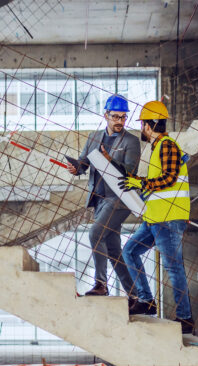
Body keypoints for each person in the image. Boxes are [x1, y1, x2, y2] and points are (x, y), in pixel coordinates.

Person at [118, 100, 195, 334]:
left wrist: (140, 182)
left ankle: (186, 319)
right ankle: (147, 301)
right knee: (130, 251)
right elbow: (157, 184)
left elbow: (169, 178)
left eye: (143, 124)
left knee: (174, 268)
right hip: (155, 219)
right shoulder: (157, 149)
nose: (142, 128)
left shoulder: (167, 145)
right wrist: (139, 187)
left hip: (169, 219)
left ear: (151, 124)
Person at [69, 94, 141, 298]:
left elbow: (130, 172)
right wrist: (77, 169)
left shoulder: (131, 141)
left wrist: (110, 160)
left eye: (123, 117)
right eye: (115, 117)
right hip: (99, 199)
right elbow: (84, 162)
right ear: (106, 115)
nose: (119, 121)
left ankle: (101, 284)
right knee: (113, 250)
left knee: (95, 234)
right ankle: (137, 295)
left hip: (118, 199)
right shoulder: (93, 137)